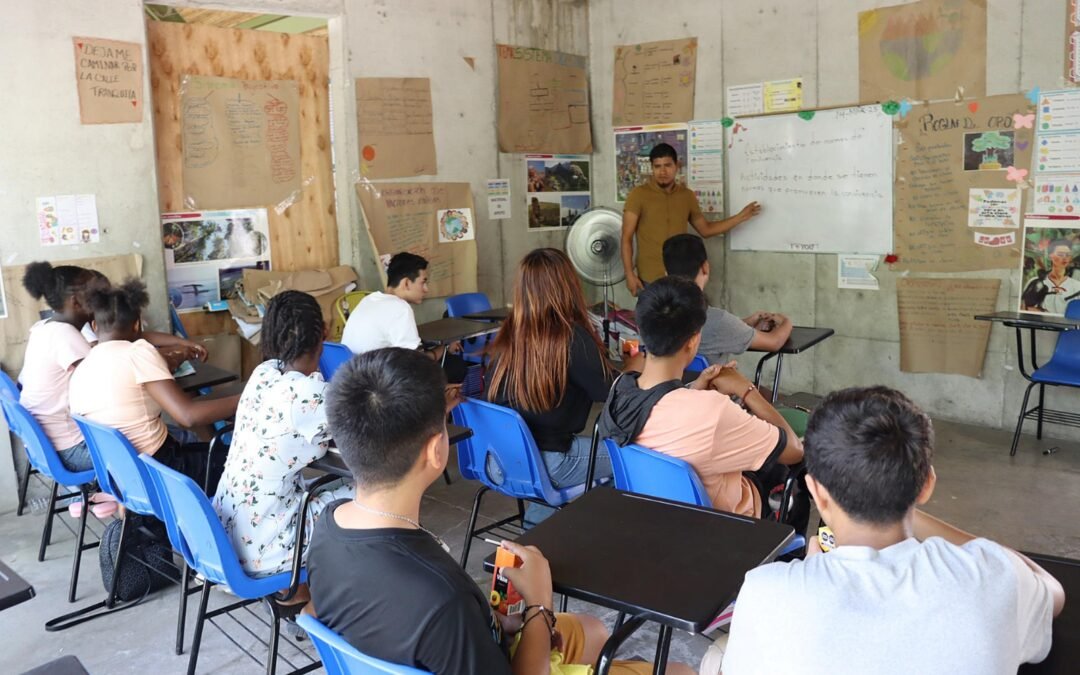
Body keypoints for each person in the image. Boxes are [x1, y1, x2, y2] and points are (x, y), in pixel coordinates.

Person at [309, 347, 692, 675]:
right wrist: (539, 603)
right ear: (435, 451)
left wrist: (496, 624)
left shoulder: (327, 527)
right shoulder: (443, 599)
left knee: (590, 629)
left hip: (464, 645)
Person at [718, 386, 1065, 675]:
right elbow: (1053, 593)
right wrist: (913, 509)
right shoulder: (993, 576)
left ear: (817, 492)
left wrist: (811, 570)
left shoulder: (768, 592)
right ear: (927, 485)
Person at [598, 276, 803, 518]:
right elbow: (794, 451)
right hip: (723, 527)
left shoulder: (620, 388)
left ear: (640, 330)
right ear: (694, 340)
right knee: (793, 484)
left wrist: (696, 389)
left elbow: (660, 414)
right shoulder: (713, 412)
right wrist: (746, 389)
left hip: (653, 516)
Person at [486, 249, 642, 524]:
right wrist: (635, 366)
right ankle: (565, 531)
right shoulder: (571, 337)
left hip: (500, 460)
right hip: (549, 462)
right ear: (569, 286)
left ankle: (539, 525)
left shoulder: (508, 335)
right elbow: (613, 392)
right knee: (638, 458)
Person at [214, 291, 353, 579]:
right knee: (378, 495)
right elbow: (369, 432)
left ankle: (299, 603)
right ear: (324, 333)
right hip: (268, 545)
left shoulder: (263, 372)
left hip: (226, 537)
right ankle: (342, 599)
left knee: (334, 485)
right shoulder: (308, 395)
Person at [18, 262, 206, 473]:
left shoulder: (46, 328)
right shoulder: (66, 336)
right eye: (94, 292)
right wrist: (174, 355)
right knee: (182, 437)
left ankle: (127, 497)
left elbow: (127, 341)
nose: (101, 297)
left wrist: (177, 347)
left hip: (54, 442)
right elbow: (117, 367)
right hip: (73, 447)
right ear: (75, 302)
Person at [69, 279, 238, 493]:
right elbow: (188, 416)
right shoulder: (137, 352)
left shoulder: (84, 366)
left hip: (125, 477)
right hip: (161, 472)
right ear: (137, 324)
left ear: (94, 326)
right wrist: (244, 400)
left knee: (209, 451)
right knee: (244, 461)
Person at [621, 143, 762, 295]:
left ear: (677, 165)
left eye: (667, 165)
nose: (662, 171)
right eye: (657, 166)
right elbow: (626, 237)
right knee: (653, 319)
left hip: (681, 278)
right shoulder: (639, 195)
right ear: (652, 168)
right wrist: (629, 274)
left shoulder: (687, 196)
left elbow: (705, 230)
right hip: (650, 279)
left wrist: (740, 217)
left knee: (685, 319)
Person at [662, 234, 792, 364]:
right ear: (705, 267)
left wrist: (744, 323)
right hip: (706, 384)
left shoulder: (653, 316)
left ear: (666, 273)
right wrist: (786, 321)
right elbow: (774, 342)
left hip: (669, 383)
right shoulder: (716, 320)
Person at [340, 252, 466, 383]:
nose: (426, 289)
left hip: (351, 378)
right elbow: (415, 362)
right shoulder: (400, 308)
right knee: (455, 366)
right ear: (406, 283)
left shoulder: (368, 300)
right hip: (377, 383)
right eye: (423, 282)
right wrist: (445, 348)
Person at [1021, 239, 1080, 315]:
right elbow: (1023, 308)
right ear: (1050, 256)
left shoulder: (1077, 286)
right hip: (1040, 325)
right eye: (1060, 254)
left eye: (1067, 255)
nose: (1065, 258)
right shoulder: (1035, 282)